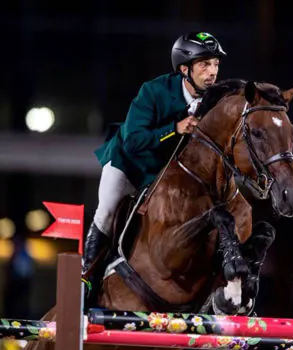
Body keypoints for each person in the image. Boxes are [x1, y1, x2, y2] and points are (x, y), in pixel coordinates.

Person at [82, 31, 227, 305]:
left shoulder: (216, 100)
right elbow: (135, 140)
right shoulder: (154, 90)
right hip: (130, 164)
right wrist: (174, 129)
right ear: (185, 69)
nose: (212, 72)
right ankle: (85, 278)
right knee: (107, 211)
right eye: (205, 65)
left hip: (166, 175)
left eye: (216, 64)